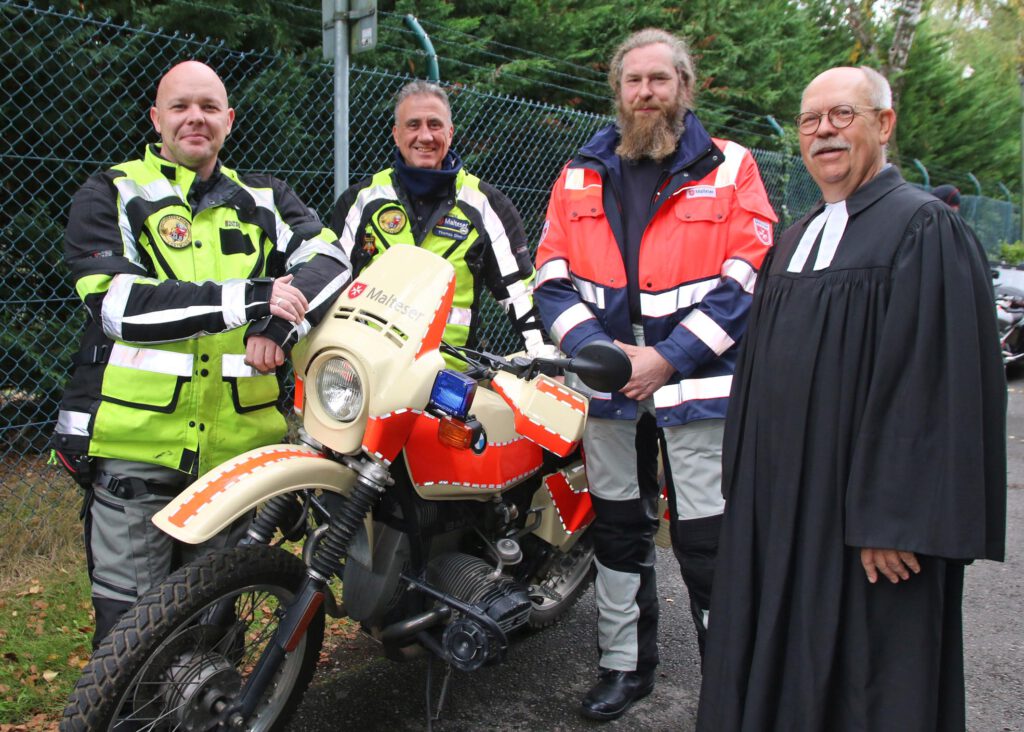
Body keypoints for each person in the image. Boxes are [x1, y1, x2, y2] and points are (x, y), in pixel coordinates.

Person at [696, 66, 1006, 731]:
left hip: (865, 528)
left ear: (885, 125)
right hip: (782, 513)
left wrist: (895, 519)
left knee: (866, 683)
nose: (823, 132)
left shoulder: (924, 229)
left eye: (842, 116)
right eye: (810, 120)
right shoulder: (796, 236)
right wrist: (745, 488)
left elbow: (933, 384)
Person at [52, 60, 351, 648]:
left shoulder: (265, 198)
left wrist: (277, 325)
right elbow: (119, 307)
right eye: (182, 106)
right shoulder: (113, 191)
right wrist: (249, 297)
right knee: (130, 638)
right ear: (156, 118)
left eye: (210, 108)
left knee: (218, 625)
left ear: (229, 121)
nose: (196, 118)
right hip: (137, 450)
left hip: (237, 457)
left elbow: (334, 260)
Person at [533, 29, 777, 721]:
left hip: (696, 386)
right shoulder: (579, 171)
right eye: (634, 82)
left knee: (707, 544)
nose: (646, 94)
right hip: (610, 388)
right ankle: (625, 668)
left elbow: (747, 276)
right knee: (615, 534)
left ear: (684, 87)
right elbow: (550, 277)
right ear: (618, 91)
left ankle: (728, 686)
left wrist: (668, 357)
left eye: (659, 81)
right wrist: (603, 355)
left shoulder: (732, 167)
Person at [330, 80, 553, 365]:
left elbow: (519, 292)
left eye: (435, 125)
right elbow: (332, 284)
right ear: (396, 135)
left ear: (450, 133)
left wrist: (544, 359)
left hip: (449, 381)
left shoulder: (486, 205)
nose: (425, 136)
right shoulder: (361, 201)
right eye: (413, 125)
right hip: (367, 376)